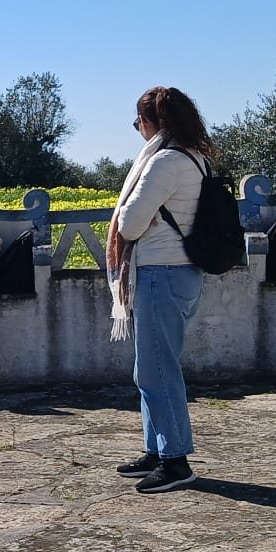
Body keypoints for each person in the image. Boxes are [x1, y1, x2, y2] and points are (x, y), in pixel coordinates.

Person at [108, 86, 218, 495]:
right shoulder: (194, 157)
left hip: (161, 273)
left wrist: (135, 218)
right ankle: (157, 449)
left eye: (138, 121)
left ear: (152, 122)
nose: (138, 129)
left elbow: (129, 224)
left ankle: (175, 461)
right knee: (150, 368)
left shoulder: (164, 162)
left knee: (157, 369)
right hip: (177, 272)